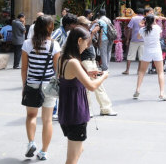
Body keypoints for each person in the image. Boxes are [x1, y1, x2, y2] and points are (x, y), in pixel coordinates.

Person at [57, 26, 110, 164]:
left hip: (67, 111)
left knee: (78, 150)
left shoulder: (62, 58)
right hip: (75, 113)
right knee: (72, 158)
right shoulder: (74, 62)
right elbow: (91, 86)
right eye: (86, 43)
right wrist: (103, 76)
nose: (86, 47)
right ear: (79, 41)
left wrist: (87, 74)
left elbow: (69, 78)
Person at [21, 15, 60, 160]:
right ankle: (43, 151)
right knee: (47, 120)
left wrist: (24, 85)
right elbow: (57, 69)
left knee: (31, 116)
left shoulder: (27, 44)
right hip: (49, 85)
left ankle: (31, 142)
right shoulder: (54, 45)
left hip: (32, 83)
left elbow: (24, 68)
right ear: (50, 28)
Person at [77, 16, 118, 116]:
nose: (88, 25)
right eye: (86, 24)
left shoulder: (86, 32)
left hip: (91, 61)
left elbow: (94, 44)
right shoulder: (79, 33)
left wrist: (95, 32)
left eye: (88, 24)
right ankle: (91, 109)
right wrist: (92, 33)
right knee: (89, 86)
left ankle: (104, 108)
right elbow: (85, 46)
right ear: (81, 25)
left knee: (97, 85)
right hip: (85, 61)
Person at [133, 14, 166, 101]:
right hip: (157, 51)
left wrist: (141, 24)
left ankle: (137, 89)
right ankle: (161, 93)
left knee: (142, 72)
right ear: (153, 21)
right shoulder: (157, 28)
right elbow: (160, 34)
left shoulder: (142, 29)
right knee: (160, 72)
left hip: (147, 51)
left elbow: (138, 37)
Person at [122, 8, 145, 75]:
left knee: (130, 56)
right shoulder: (145, 19)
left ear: (136, 12)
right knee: (141, 57)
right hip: (143, 40)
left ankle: (127, 70)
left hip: (134, 40)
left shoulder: (133, 18)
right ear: (143, 13)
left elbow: (129, 29)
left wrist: (128, 39)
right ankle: (139, 71)